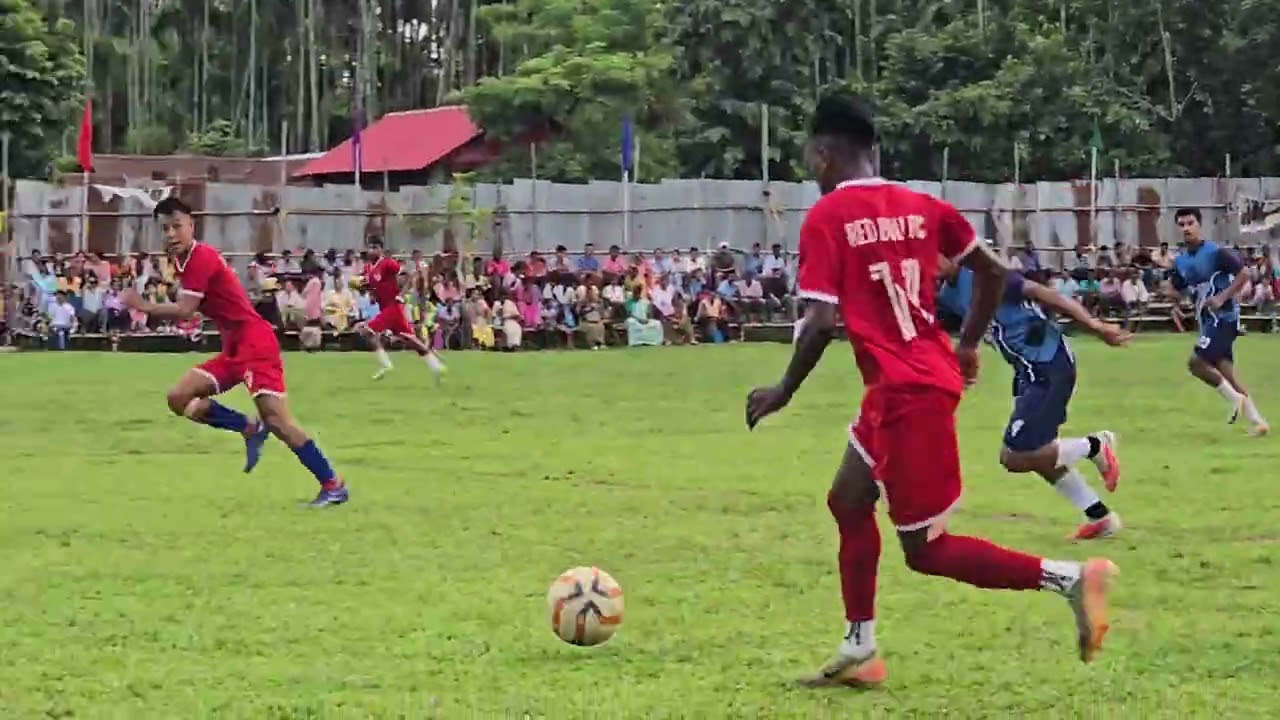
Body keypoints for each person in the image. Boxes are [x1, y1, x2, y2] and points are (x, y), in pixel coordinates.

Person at [743, 93, 1117, 688]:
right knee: (847, 499)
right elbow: (994, 272)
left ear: (821, 154)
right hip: (905, 383)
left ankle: (1071, 579)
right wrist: (968, 344)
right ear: (875, 150)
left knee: (925, 550)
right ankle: (859, 647)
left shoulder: (826, 219)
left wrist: (784, 388)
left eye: (810, 159)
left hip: (907, 392)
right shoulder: (923, 206)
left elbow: (817, 322)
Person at [122, 197, 348, 507]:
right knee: (178, 398)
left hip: (255, 344)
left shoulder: (202, 257)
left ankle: (333, 484)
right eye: (165, 229)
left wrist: (144, 306)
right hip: (234, 347)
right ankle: (247, 426)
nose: (171, 234)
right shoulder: (182, 261)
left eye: (177, 226)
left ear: (192, 225)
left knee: (279, 422)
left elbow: (187, 310)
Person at [936, 257, 1131, 540]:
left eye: (935, 254)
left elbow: (1045, 294)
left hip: (1049, 365)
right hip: (1026, 371)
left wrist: (1095, 326)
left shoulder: (988, 275)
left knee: (1017, 455)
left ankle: (1095, 445)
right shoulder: (947, 294)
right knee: (1032, 452)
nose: (929, 262)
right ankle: (1099, 516)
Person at [1167, 208, 1268, 435]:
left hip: (1224, 317)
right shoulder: (1181, 260)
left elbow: (1244, 273)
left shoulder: (1216, 252)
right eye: (1181, 224)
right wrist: (1177, 299)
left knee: (1196, 362)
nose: (1186, 228)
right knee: (1227, 373)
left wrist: (1223, 297)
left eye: (1190, 223)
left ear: (1199, 225)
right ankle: (1258, 422)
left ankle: (1234, 400)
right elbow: (1179, 288)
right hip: (1206, 319)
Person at [353, 236, 446, 381]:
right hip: (386, 309)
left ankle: (385, 364)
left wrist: (401, 295)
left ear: (380, 249)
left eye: (374, 247)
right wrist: (362, 287)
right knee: (410, 339)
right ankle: (436, 366)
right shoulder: (368, 268)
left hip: (393, 306)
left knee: (367, 331)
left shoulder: (387, 263)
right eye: (369, 247)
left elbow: (409, 274)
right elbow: (374, 286)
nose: (371, 250)